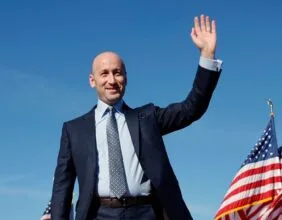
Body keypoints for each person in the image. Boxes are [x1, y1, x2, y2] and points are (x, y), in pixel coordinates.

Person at [51, 14, 223, 220]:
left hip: (146, 213)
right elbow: (63, 185)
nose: (112, 80)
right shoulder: (74, 130)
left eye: (117, 72)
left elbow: (191, 109)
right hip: (98, 214)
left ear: (126, 77)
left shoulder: (147, 118)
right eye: (104, 73)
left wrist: (207, 56)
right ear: (92, 80)